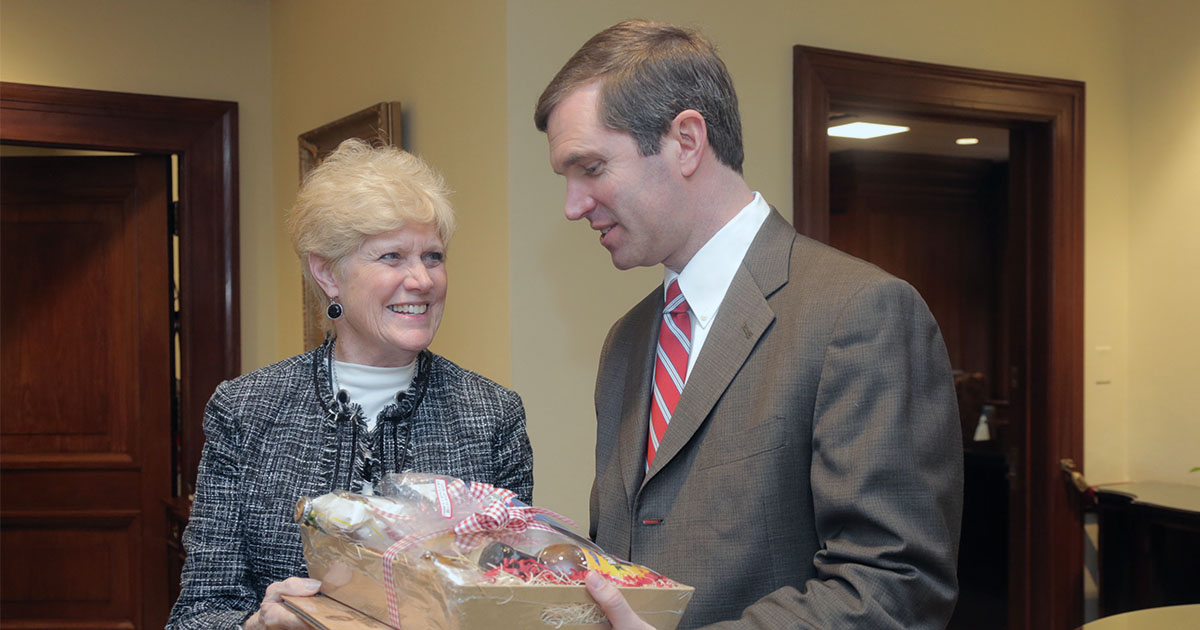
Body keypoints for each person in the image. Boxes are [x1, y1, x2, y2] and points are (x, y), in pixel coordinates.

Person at [535, 20, 962, 630]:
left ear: (686, 141)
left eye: (592, 168)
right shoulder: (626, 343)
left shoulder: (860, 312)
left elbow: (894, 589)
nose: (573, 205)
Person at [166, 139, 534, 630]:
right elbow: (197, 614)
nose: (422, 280)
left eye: (433, 256)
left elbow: (516, 603)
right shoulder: (247, 410)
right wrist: (256, 625)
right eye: (392, 257)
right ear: (327, 273)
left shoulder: (491, 415)